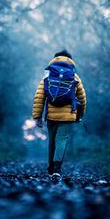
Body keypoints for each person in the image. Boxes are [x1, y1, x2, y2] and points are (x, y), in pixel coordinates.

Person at [32, 50, 86, 178]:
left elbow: (39, 96)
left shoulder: (48, 76)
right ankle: (57, 168)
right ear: (70, 59)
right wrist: (80, 114)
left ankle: (50, 168)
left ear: (55, 59)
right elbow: (82, 98)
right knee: (61, 140)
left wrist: (37, 116)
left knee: (52, 141)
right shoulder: (74, 76)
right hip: (68, 116)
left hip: (51, 115)